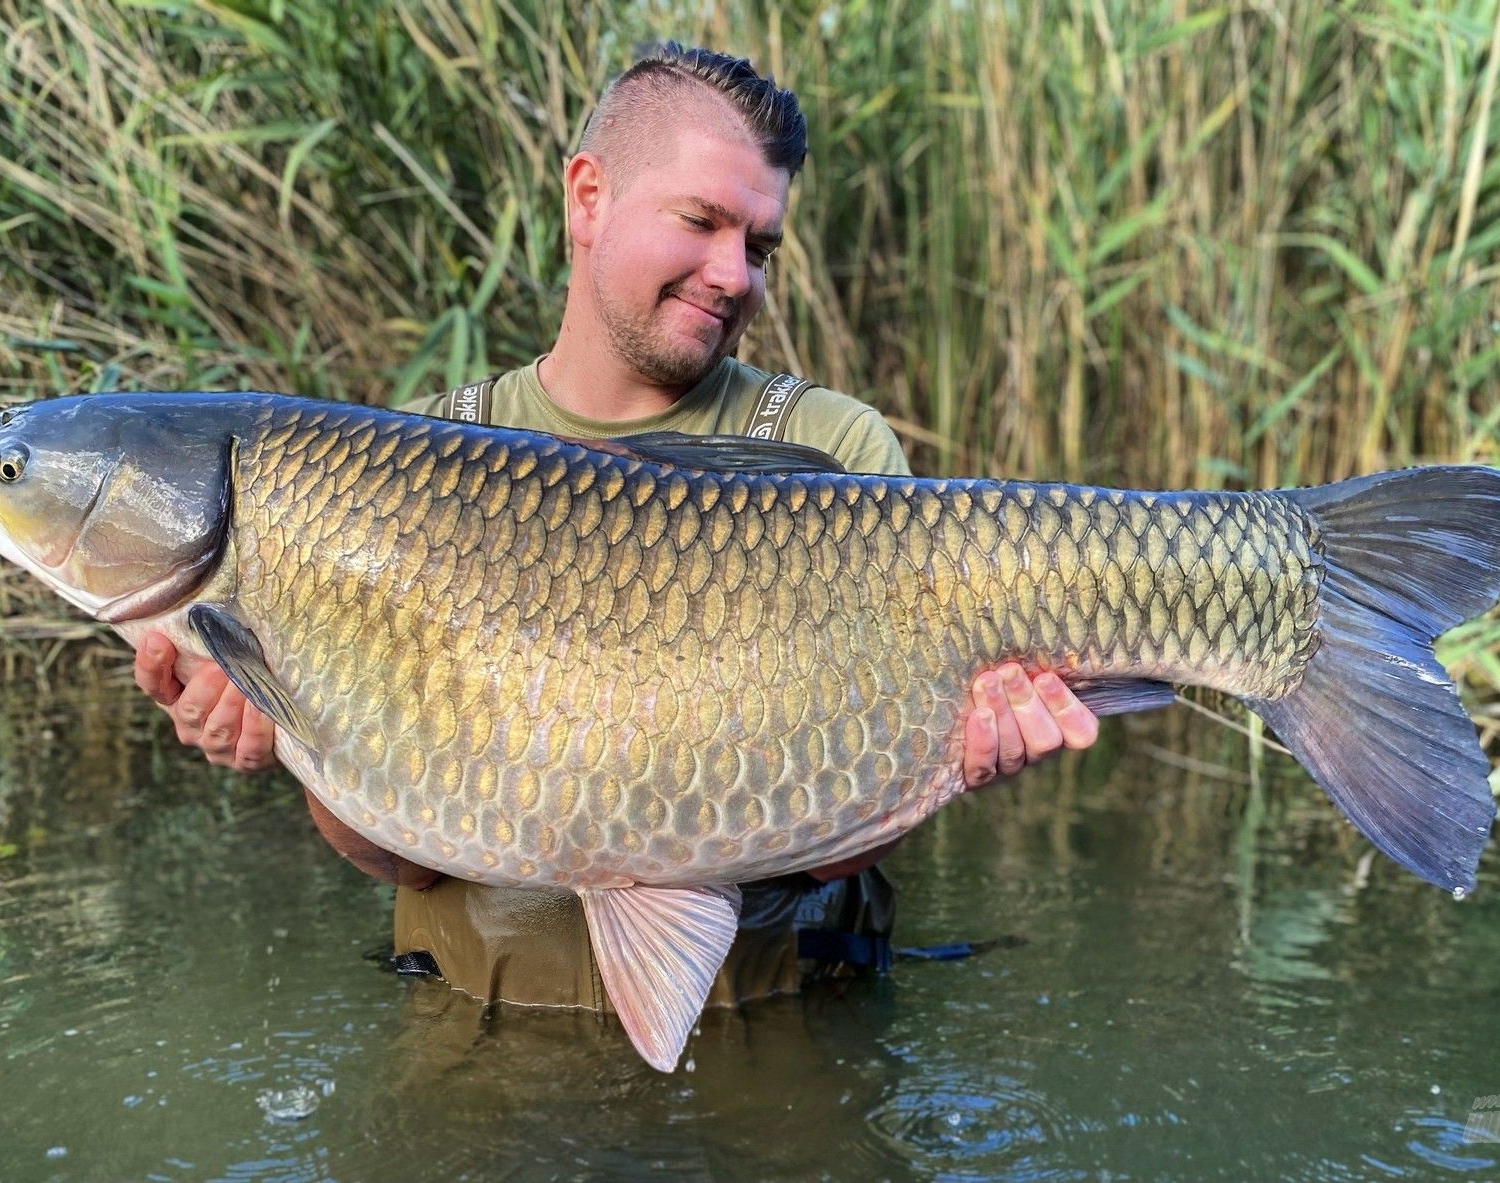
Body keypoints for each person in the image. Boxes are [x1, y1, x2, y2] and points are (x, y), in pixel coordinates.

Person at [133, 44, 1099, 1011]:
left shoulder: (829, 448)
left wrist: (949, 760)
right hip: (485, 1032)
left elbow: (830, 837)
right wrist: (277, 736)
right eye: (702, 222)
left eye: (760, 246)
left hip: (769, 1026)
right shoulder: (413, 461)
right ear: (588, 197)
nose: (733, 274)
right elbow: (401, 857)